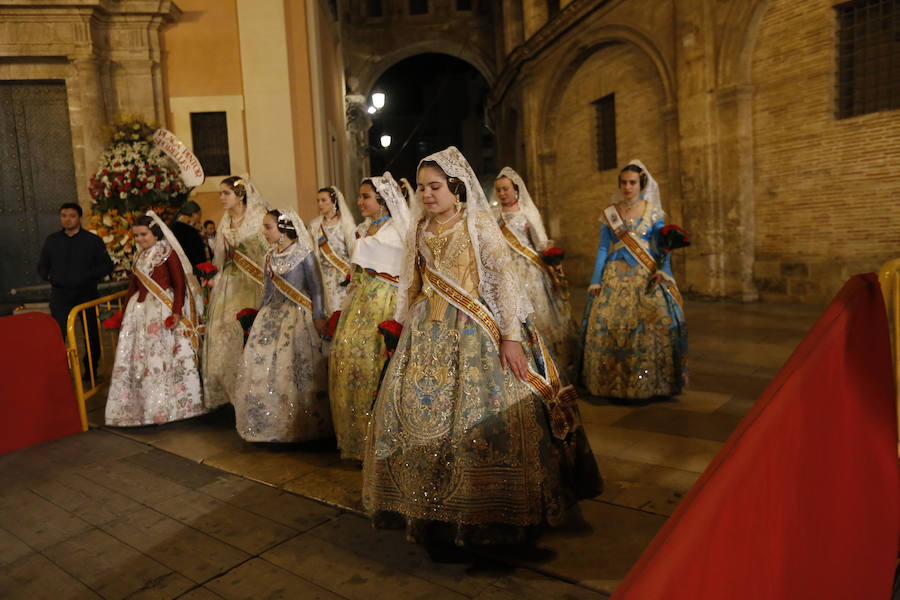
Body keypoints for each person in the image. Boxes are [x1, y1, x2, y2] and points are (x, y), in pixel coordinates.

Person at [362, 147, 601, 546]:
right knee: (418, 418)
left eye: (435, 187)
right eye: (422, 188)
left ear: (456, 188)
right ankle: (430, 510)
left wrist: (510, 338)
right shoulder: (420, 230)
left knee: (481, 417)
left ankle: (485, 512)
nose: (426, 194)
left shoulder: (478, 226)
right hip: (425, 335)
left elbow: (505, 282)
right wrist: (400, 327)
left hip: (476, 333)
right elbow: (412, 283)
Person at [580, 160, 688, 399]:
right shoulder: (610, 213)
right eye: (624, 182)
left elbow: (661, 248)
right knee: (608, 325)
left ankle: (651, 383)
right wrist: (596, 279)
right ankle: (610, 383)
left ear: (641, 184)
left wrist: (664, 271)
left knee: (651, 325)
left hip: (644, 275)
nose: (628, 187)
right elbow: (602, 248)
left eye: (632, 183)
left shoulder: (653, 212)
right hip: (613, 275)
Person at [328, 173, 410, 461]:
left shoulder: (400, 230)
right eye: (361, 196)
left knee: (376, 365)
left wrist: (401, 316)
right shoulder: (363, 229)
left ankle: (382, 442)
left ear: (383, 200)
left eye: (366, 197)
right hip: (360, 302)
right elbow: (357, 273)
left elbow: (408, 274)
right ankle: (356, 439)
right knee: (349, 361)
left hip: (386, 302)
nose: (360, 201)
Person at [233, 210, 332, 442]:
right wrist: (257, 319)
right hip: (270, 318)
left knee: (293, 368)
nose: (264, 232)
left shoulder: (304, 254)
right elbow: (267, 292)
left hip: (298, 318)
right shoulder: (270, 256)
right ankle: (269, 422)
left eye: (268, 227)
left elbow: (316, 289)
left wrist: (319, 316)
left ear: (283, 229)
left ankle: (299, 425)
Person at [104, 213, 205, 426]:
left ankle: (171, 406)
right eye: (136, 236)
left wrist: (177, 311)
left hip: (162, 312)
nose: (140, 239)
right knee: (141, 360)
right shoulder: (138, 257)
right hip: (139, 313)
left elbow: (179, 284)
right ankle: (144, 408)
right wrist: (124, 313)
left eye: (143, 234)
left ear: (154, 232)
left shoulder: (167, 253)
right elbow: (133, 286)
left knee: (163, 357)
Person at [493, 167, 576, 371]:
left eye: (506, 189)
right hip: (504, 269)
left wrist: (554, 264)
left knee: (537, 313)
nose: (502, 193)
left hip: (529, 269)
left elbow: (540, 243)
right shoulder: (494, 214)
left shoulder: (527, 212)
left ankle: (545, 359)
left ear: (516, 189)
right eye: (499, 190)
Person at [202, 176, 269, 408]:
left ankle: (254, 391)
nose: (221, 198)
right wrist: (214, 277)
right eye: (221, 193)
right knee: (223, 334)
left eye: (226, 193)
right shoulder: (225, 222)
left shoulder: (259, 219)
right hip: (229, 285)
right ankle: (229, 391)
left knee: (249, 334)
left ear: (240, 195)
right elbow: (220, 257)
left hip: (254, 284)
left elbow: (268, 252)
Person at [38, 202, 113, 375]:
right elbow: (42, 265)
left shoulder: (92, 241)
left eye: (71, 215)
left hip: (86, 292)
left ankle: (91, 369)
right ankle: (60, 370)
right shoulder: (52, 241)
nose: (67, 219)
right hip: (60, 294)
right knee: (57, 332)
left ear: (80, 218)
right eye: (64, 215)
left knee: (90, 333)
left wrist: (87, 277)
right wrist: (51, 277)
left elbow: (106, 265)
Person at [308, 186, 357, 315]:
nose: (320, 204)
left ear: (333, 201)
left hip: (343, 278)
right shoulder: (315, 226)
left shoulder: (345, 224)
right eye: (318, 201)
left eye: (324, 200)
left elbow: (354, 250)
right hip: (323, 279)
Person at [169, 200, 207, 267]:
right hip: (191, 266)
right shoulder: (191, 229)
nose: (200, 219)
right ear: (194, 215)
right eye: (200, 215)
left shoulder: (173, 225)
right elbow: (198, 254)